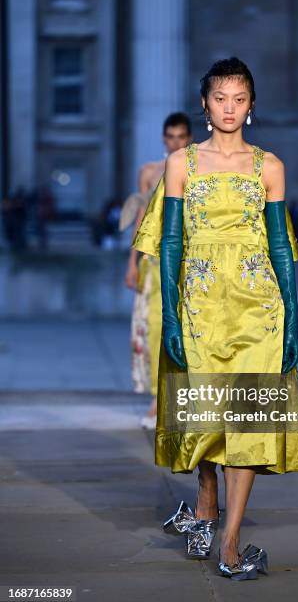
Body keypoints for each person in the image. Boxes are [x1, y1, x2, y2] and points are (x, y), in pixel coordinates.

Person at [132, 57, 298, 580]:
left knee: (249, 421)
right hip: (200, 304)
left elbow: (279, 244)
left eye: (239, 99)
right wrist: (169, 315)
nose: (229, 108)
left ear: (252, 105)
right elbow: (169, 241)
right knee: (206, 419)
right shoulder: (182, 163)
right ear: (205, 103)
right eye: (219, 98)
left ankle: (229, 542)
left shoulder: (269, 166)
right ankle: (205, 502)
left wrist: (293, 318)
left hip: (260, 309)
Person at [123, 113, 192, 429]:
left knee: (188, 329)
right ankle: (157, 398)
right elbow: (141, 218)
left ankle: (180, 398)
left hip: (188, 261)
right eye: (171, 136)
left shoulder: (200, 167)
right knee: (153, 328)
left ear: (189, 138)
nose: (175, 142)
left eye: (181, 136)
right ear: (164, 138)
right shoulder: (149, 172)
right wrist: (132, 263)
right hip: (153, 260)